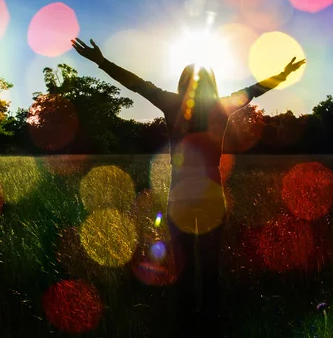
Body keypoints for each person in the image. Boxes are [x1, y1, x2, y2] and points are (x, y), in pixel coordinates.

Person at [71, 37, 305, 337]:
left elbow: (137, 84)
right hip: (210, 192)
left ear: (184, 83)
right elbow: (256, 89)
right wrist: (284, 74)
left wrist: (102, 62)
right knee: (209, 267)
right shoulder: (222, 106)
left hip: (181, 193)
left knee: (185, 267)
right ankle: (209, 322)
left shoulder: (172, 103)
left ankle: (185, 324)